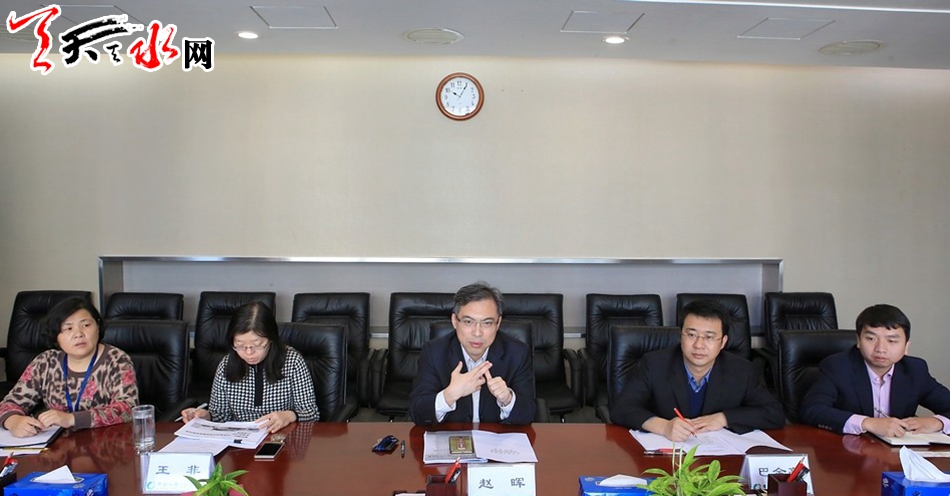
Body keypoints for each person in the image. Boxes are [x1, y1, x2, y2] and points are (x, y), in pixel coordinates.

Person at [609, 299, 784, 440]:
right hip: (666, 457)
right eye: (691, 335)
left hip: (718, 461)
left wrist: (723, 418)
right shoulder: (655, 364)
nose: (699, 345)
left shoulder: (740, 370)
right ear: (681, 336)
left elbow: (774, 413)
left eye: (709, 337)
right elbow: (621, 408)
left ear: (723, 342)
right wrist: (664, 426)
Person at [800, 304, 950, 437]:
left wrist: (937, 423)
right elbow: (812, 410)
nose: (881, 349)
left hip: (897, 454)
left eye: (892, 341)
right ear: (859, 341)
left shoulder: (915, 370)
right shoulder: (838, 366)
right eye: (871, 339)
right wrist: (867, 423)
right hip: (849, 451)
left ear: (906, 346)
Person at [0, 297, 138, 437]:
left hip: (104, 443)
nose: (78, 334)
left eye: (86, 325)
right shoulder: (45, 362)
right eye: (68, 328)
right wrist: (13, 421)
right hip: (56, 445)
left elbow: (127, 409)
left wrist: (71, 419)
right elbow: (10, 403)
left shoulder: (117, 360)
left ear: (97, 326)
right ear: (56, 335)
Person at [180, 301, 319, 432]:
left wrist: (290, 415)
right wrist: (206, 416)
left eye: (257, 345)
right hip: (239, 440)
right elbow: (220, 416)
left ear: (271, 339)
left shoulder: (292, 361)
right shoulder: (226, 365)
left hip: (280, 438)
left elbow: (311, 413)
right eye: (240, 345)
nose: (248, 353)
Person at [410, 282, 536, 424]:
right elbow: (417, 413)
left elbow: (529, 414)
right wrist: (449, 395)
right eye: (468, 322)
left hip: (496, 436)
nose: (477, 333)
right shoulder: (434, 352)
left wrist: (508, 399)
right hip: (452, 435)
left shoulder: (518, 353)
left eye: (487, 323)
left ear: (498, 323)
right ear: (455, 321)